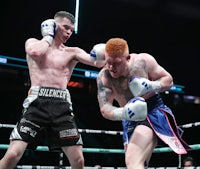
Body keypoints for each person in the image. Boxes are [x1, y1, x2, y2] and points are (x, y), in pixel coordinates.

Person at [0, 11, 106, 169]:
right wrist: (48, 35)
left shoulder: (73, 52)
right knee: (13, 154)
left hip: (62, 105)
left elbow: (97, 63)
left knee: (79, 160)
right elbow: (36, 52)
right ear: (53, 25)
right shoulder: (33, 42)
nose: (69, 32)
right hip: (36, 103)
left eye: (71, 29)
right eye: (65, 27)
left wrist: (105, 51)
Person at [96, 37, 191, 169]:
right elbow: (104, 108)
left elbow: (168, 80)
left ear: (127, 58)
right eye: (108, 62)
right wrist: (124, 112)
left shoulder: (143, 61)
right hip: (128, 117)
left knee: (133, 162)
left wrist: (151, 86)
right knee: (137, 164)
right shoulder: (104, 77)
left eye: (116, 63)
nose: (111, 67)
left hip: (152, 112)